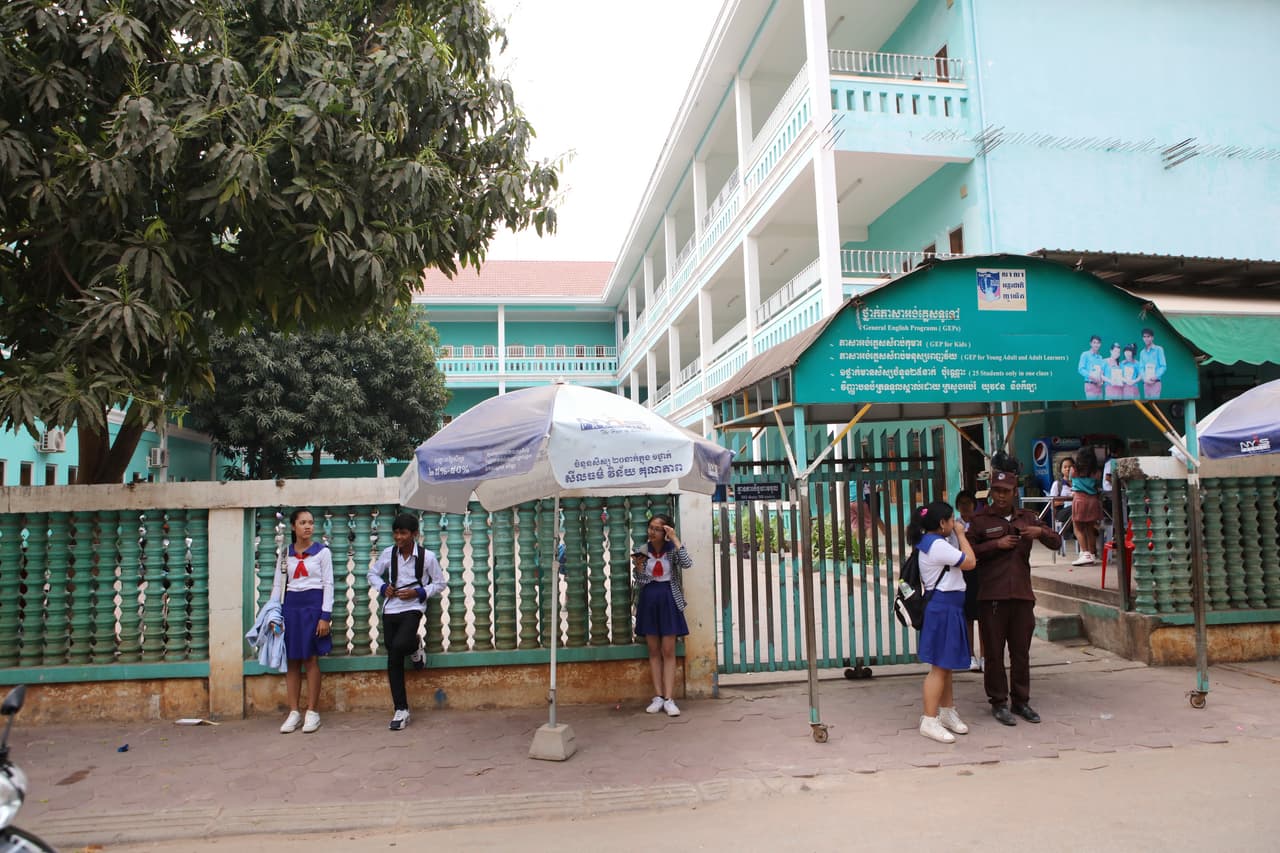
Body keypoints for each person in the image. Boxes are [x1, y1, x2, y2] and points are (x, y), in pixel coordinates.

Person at [969, 470, 1062, 727]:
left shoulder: (1028, 517)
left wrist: (1039, 532)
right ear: (991, 491)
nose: (1000, 496)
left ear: (1015, 493)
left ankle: (1021, 701)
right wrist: (994, 546)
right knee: (995, 654)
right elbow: (967, 554)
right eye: (996, 490)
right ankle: (998, 703)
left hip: (1021, 595)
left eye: (1006, 491)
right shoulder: (979, 521)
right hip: (992, 596)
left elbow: (1057, 542)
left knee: (1021, 653)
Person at [368, 513, 446, 731]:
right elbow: (372, 574)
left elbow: (440, 583)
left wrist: (419, 592)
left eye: (403, 533)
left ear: (414, 534)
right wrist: (383, 588)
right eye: (396, 533)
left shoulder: (427, 557)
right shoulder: (388, 554)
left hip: (413, 608)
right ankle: (400, 709)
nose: (398, 537)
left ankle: (414, 644)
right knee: (393, 655)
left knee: (399, 646)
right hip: (390, 608)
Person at [912, 501, 977, 743]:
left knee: (945, 664)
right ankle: (929, 719)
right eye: (951, 520)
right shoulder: (937, 545)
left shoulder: (931, 542)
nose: (954, 523)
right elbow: (970, 562)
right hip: (942, 608)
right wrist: (961, 534)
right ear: (942, 524)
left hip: (948, 607)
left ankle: (947, 711)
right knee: (939, 668)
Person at [272, 508, 334, 734]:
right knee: (292, 661)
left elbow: (328, 584)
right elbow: (278, 585)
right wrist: (274, 615)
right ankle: (294, 712)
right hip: (291, 609)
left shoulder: (322, 553)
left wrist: (325, 616)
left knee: (311, 660)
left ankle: (312, 711)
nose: (308, 526)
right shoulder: (285, 553)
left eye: (311, 522)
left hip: (313, 608)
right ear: (293, 526)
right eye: (303, 523)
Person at [634, 513, 692, 717]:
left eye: (658, 528)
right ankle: (658, 696)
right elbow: (639, 583)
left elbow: (687, 564)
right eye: (651, 527)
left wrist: (675, 539)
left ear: (666, 530)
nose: (652, 532)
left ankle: (669, 698)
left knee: (668, 650)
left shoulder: (672, 551)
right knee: (653, 649)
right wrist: (639, 570)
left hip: (669, 599)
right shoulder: (641, 551)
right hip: (649, 600)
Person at [951, 490, 983, 673]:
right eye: (961, 503)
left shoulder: (980, 522)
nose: (965, 506)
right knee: (968, 617)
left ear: (974, 504)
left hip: (981, 571)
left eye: (968, 502)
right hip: (964, 572)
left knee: (984, 618)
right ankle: (970, 655)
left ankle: (985, 657)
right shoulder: (954, 525)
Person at [1070, 447, 1103, 566]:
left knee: (1077, 528)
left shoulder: (1074, 470)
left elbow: (1071, 481)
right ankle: (1093, 553)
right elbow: (1098, 485)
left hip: (1079, 500)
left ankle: (1085, 553)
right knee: (1090, 529)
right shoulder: (1097, 472)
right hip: (1093, 501)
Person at [1048, 457, 1075, 533]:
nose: (1068, 469)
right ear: (1061, 470)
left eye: (1070, 466)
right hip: (1062, 512)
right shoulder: (1057, 484)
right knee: (1076, 506)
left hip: (1076, 512)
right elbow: (1051, 503)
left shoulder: (1078, 483)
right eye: (1065, 467)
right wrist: (1065, 501)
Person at [1138, 327, 1166, 399]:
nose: (1146, 338)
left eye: (1148, 336)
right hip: (1146, 383)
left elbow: (1163, 366)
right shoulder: (1142, 352)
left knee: (1154, 404)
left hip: (1155, 383)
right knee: (1147, 404)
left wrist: (1155, 376)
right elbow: (1141, 368)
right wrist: (1144, 378)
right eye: (1144, 337)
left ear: (1152, 337)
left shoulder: (1158, 349)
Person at [1077, 335, 1105, 401]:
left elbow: (1101, 371)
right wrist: (1091, 376)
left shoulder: (1100, 357)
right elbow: (1080, 369)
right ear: (1090, 343)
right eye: (1094, 342)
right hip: (1090, 385)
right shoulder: (1085, 354)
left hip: (1099, 386)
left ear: (1100, 344)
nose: (1096, 344)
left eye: (1098, 343)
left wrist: (1101, 381)